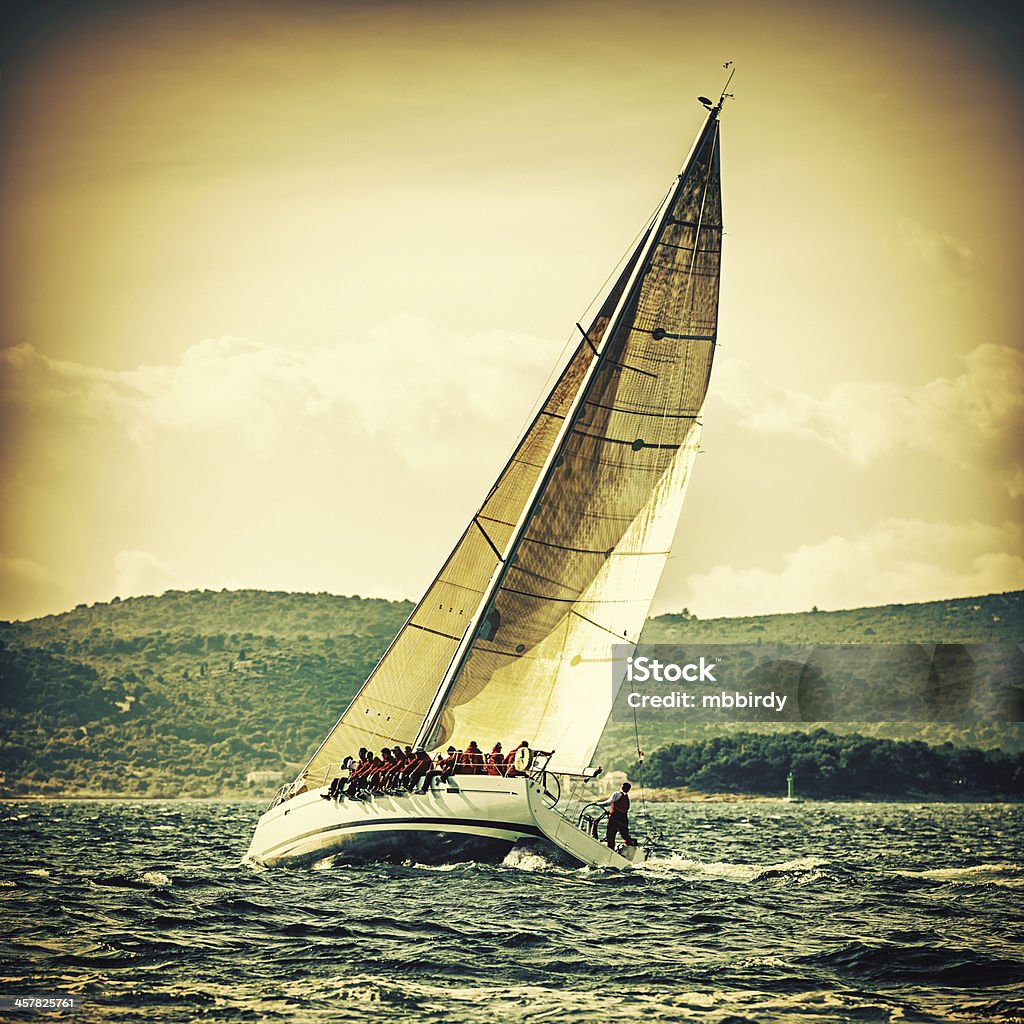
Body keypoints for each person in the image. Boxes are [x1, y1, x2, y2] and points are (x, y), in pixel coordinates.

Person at [598, 782, 634, 850]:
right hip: (624, 820)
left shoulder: (617, 794)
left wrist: (597, 804)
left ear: (621, 787)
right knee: (625, 835)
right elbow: (625, 809)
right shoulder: (628, 798)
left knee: (611, 834)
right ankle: (631, 846)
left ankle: (610, 849)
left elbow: (608, 803)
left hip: (614, 819)